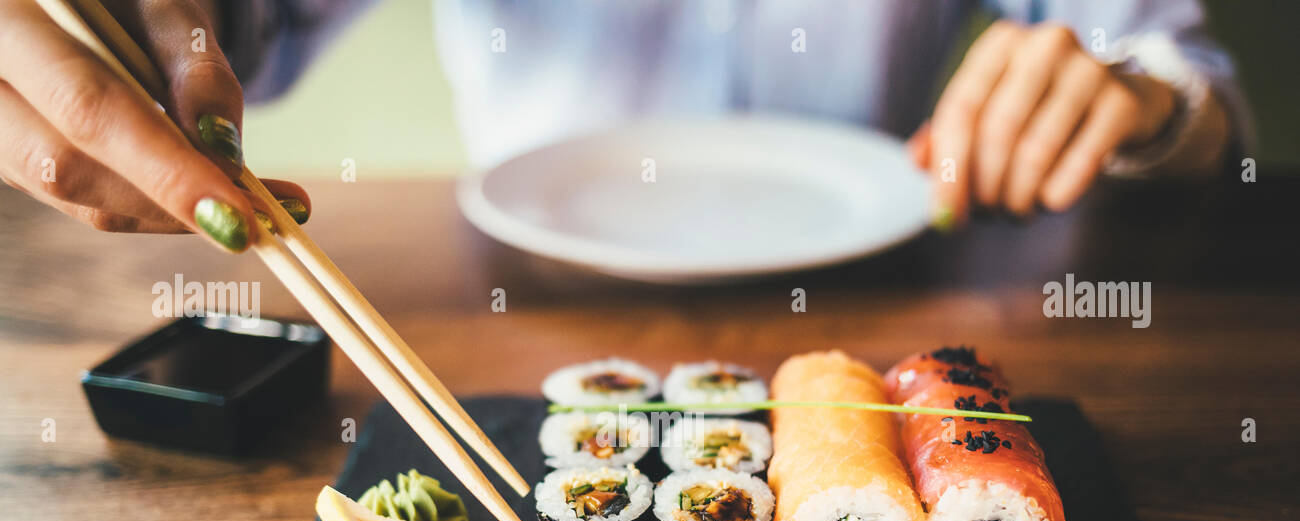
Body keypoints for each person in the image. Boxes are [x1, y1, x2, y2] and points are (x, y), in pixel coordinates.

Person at [0, 0, 1246, 252]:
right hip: (521, 285)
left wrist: (1132, 97)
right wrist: (141, 26)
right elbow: (229, 31)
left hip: (899, 267)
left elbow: (1185, 75)